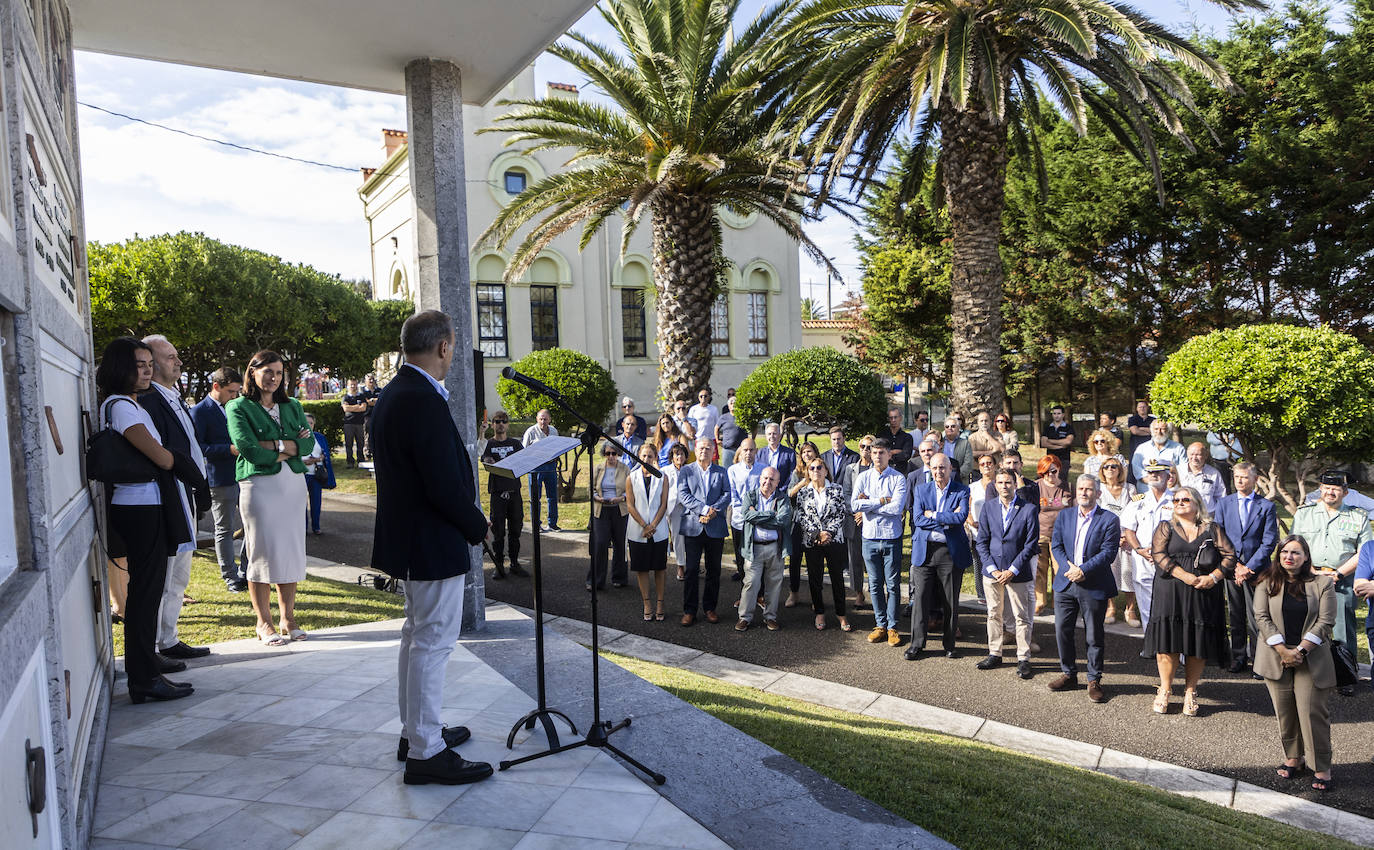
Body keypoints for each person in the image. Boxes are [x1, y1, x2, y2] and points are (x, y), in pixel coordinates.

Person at [371, 310, 491, 785]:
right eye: (453, 345)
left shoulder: (399, 391)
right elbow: (441, 483)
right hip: (431, 535)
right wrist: (475, 523)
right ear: (443, 347)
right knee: (432, 641)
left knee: (416, 636)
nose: (454, 353)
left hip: (414, 535)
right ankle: (425, 750)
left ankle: (416, 732)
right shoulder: (419, 398)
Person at [97, 337, 199, 704]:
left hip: (148, 504)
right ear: (120, 367)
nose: (147, 371)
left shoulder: (131, 404)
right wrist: (180, 464)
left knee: (148, 592)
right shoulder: (122, 406)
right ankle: (143, 677)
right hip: (139, 506)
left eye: (148, 364)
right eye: (139, 365)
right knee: (144, 594)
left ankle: (147, 670)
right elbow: (158, 455)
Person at [226, 350, 314, 647]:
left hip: (292, 484)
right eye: (268, 372)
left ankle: (288, 618)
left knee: (290, 550)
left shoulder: (293, 405)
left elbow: (309, 444)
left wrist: (276, 445)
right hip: (259, 484)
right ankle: (264, 622)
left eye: (278, 373)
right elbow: (248, 448)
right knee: (261, 552)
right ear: (252, 372)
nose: (274, 378)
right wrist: (288, 446)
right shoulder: (238, 406)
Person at [138, 335, 211, 661]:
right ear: (151, 363)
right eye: (170, 357)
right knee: (165, 574)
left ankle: (168, 638)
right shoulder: (148, 400)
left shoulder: (172, 396)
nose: (178, 362)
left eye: (176, 356)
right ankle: (152, 648)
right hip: (169, 495)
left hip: (187, 493)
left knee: (180, 574)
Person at [1143, 486, 1237, 716]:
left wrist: (1214, 577)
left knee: (1198, 642)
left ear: (1197, 503)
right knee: (1168, 641)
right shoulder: (1166, 527)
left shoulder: (1212, 528)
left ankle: (1190, 691)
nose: (1179, 503)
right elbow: (1158, 555)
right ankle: (1165, 689)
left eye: (1185, 499)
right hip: (1170, 590)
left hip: (1203, 591)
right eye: (1175, 500)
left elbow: (1230, 556)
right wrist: (1184, 575)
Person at [1254, 535, 1337, 793]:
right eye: (1284, 552)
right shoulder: (1266, 582)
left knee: (1312, 714)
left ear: (1306, 557)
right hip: (1275, 656)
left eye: (1296, 553)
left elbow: (1326, 621)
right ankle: (1294, 758)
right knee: (1285, 712)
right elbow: (1261, 616)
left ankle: (1321, 766)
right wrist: (1282, 649)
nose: (1289, 557)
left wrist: (1299, 650)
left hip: (1310, 658)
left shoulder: (1323, 583)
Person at [1289, 469, 1372, 696]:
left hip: (1341, 580)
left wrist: (1338, 574)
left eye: (1335, 489)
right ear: (1320, 489)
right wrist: (1311, 570)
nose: (1330, 492)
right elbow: (1294, 546)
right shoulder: (1304, 514)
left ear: (1345, 492)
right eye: (1326, 488)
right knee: (1306, 625)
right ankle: (1308, 673)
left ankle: (1345, 675)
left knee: (1344, 629)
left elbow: (1364, 552)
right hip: (1308, 578)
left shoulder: (1358, 516)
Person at [1048, 474, 1121, 703]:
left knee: (1093, 635)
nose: (1083, 493)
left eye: (1089, 489)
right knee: (1062, 631)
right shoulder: (1065, 516)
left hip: (1093, 583)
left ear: (1098, 493)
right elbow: (1056, 544)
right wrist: (1068, 566)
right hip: (1066, 582)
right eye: (1080, 488)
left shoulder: (1109, 519)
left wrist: (1083, 570)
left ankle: (1094, 679)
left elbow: (1108, 553)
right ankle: (1069, 674)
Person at [1213, 461, 1278, 675]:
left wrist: (1248, 567)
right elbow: (1219, 537)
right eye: (1237, 477)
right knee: (1236, 614)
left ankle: (1259, 661)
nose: (1240, 481)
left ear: (1255, 479)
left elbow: (1269, 541)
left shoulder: (1266, 506)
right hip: (1231, 570)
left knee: (1257, 617)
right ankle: (1238, 656)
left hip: (1257, 571)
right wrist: (1236, 565)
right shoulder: (1224, 504)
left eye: (1244, 477)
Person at [975, 469, 1040, 678]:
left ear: (1015, 484)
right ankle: (995, 652)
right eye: (1001, 482)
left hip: (1017, 572)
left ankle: (1023, 658)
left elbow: (1030, 545)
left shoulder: (1028, 509)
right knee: (994, 613)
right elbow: (982, 541)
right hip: (992, 571)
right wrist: (993, 568)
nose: (1004, 486)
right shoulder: (988, 507)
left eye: (1008, 482)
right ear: (995, 484)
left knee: (1022, 616)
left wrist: (1012, 570)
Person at [905, 453, 970, 659]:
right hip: (925, 551)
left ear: (950, 469)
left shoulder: (962, 490)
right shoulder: (921, 489)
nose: (938, 472)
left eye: (942, 468)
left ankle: (949, 644)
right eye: (934, 468)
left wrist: (932, 514)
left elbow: (960, 518)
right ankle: (917, 644)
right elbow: (917, 519)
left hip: (948, 552)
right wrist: (946, 520)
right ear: (930, 469)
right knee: (920, 599)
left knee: (950, 601)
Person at [190, 366, 248, 592]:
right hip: (219, 478)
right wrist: (228, 449)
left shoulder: (237, 407)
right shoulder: (200, 412)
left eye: (237, 392)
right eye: (231, 391)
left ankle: (246, 571)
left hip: (244, 474)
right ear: (217, 387)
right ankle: (230, 576)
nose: (235, 396)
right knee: (224, 528)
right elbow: (198, 448)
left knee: (250, 526)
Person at [852, 438, 909, 646]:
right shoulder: (864, 477)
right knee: (874, 584)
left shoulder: (898, 479)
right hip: (869, 536)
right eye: (874, 452)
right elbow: (854, 504)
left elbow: (897, 509)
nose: (876, 456)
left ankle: (893, 627)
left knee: (892, 584)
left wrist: (869, 505)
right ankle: (880, 624)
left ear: (888, 454)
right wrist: (882, 500)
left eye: (881, 452)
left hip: (891, 537)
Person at [796, 456, 852, 631]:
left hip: (834, 540)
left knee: (837, 578)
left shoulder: (836, 489)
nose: (816, 471)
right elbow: (801, 516)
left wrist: (828, 533)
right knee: (815, 578)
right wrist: (816, 534)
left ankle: (841, 614)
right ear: (808, 472)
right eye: (812, 468)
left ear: (826, 470)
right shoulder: (803, 492)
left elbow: (841, 513)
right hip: (812, 542)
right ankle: (819, 612)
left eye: (819, 467)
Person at [678, 437, 729, 626]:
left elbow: (727, 494)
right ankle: (689, 610)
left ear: (713, 451)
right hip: (693, 526)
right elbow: (683, 494)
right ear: (695, 449)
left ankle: (710, 608)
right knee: (691, 570)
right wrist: (703, 510)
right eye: (701, 448)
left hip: (715, 527)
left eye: (708, 448)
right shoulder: (686, 471)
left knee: (714, 570)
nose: (704, 451)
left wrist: (713, 511)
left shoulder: (721, 472)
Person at [1121, 461, 1175, 631]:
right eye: (1150, 472)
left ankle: (1172, 648)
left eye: (1158, 472)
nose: (1154, 475)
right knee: (1146, 605)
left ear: (1168, 476)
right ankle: (1150, 643)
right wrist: (1138, 549)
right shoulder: (1139, 501)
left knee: (1170, 604)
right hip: (1143, 558)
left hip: (1169, 558)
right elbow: (1129, 529)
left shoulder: (1177, 499)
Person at [736, 467, 791, 631]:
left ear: (777, 482)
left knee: (774, 584)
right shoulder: (750, 496)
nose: (768, 482)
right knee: (750, 583)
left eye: (772, 479)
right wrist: (771, 514)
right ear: (760, 479)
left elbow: (783, 520)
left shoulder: (782, 498)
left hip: (775, 548)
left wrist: (758, 516)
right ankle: (744, 617)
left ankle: (770, 617)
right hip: (754, 548)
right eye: (765, 478)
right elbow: (747, 515)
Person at [480, 411, 526, 579]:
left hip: (514, 493)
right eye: (497, 421)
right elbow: (483, 457)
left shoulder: (515, 444)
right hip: (498, 493)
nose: (500, 424)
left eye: (503, 421)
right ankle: (499, 564)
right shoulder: (488, 444)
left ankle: (514, 563)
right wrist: (482, 435)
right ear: (493, 424)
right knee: (498, 531)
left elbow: (524, 460)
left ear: (508, 424)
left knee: (516, 529)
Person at [626, 442, 669, 621]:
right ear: (638, 457)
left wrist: (653, 526)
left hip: (658, 530)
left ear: (655, 458)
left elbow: (664, 504)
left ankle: (660, 602)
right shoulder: (631, 477)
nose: (646, 459)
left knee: (659, 568)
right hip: (638, 530)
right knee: (642, 569)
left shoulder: (662, 477)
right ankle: (647, 603)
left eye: (650, 456)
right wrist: (645, 525)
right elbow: (630, 505)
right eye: (643, 456)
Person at [1095, 458, 1135, 625]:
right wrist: (1111, 537)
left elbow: (1135, 513)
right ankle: (1111, 607)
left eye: (1114, 466)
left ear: (1120, 470)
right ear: (1102, 470)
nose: (1110, 469)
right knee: (1109, 573)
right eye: (1107, 466)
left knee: (1129, 572)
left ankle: (1130, 609)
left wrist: (1126, 535)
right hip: (1106, 538)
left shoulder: (1130, 488)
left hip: (1127, 538)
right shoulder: (1100, 489)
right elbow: (1096, 516)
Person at [838, 436, 874, 607]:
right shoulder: (850, 468)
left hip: (872, 519)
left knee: (873, 559)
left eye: (870, 447)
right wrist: (856, 511)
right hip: (854, 520)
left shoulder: (878, 469)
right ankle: (859, 592)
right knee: (855, 559)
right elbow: (846, 495)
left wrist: (865, 511)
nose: (866, 449)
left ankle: (875, 591)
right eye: (863, 446)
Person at [588, 441, 629, 590]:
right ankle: (595, 580)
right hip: (601, 509)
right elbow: (590, 489)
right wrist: (596, 497)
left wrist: (621, 498)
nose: (611, 456)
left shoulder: (625, 469)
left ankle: (619, 577)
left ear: (618, 453)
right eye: (607, 453)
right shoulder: (598, 468)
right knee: (600, 544)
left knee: (620, 544)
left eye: (614, 453)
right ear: (604, 454)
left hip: (619, 509)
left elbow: (630, 491)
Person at [785, 441, 821, 608]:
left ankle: (816, 598)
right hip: (798, 523)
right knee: (795, 560)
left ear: (815, 453)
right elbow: (789, 494)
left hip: (816, 524)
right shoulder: (797, 473)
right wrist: (803, 481)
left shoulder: (821, 469)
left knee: (814, 561)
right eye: (804, 452)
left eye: (810, 451)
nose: (807, 454)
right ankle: (794, 593)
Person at [1034, 456, 1070, 615]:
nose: (1050, 475)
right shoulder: (1035, 487)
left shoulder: (1068, 487)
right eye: (1045, 472)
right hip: (1040, 534)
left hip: (1060, 537)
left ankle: (1059, 603)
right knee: (1039, 570)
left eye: (1053, 471)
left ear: (1059, 469)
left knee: (1060, 570)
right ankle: (1039, 602)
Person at [727, 439, 763, 583]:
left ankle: (759, 593)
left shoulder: (763, 469)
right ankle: (744, 593)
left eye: (751, 450)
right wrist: (745, 512)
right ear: (740, 451)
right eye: (745, 450)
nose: (748, 453)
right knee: (741, 557)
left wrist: (755, 513)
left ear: (756, 451)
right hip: (739, 520)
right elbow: (733, 495)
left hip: (758, 520)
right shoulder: (733, 470)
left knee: (757, 558)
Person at [967, 454, 999, 605]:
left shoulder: (1000, 484)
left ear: (995, 465)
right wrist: (971, 521)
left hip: (997, 532)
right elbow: (966, 507)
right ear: (979, 467)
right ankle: (981, 594)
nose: (986, 466)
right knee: (978, 561)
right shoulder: (973, 487)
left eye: (989, 463)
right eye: (982, 464)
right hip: (977, 530)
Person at [522, 409, 562, 532]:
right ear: (537, 419)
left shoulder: (554, 431)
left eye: (545, 419)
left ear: (549, 419)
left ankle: (553, 523)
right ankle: (536, 524)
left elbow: (558, 447)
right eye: (540, 419)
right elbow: (523, 450)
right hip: (536, 467)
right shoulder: (531, 431)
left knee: (552, 496)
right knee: (535, 497)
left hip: (550, 467)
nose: (543, 422)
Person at [301, 413, 335, 535]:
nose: (309, 425)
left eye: (311, 423)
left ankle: (316, 526)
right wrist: (304, 461)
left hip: (316, 474)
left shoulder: (319, 437)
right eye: (306, 422)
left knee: (316, 502)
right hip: (301, 474)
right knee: (301, 503)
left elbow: (325, 455)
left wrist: (316, 460)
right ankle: (303, 528)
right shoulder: (296, 437)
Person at [1131, 418, 1186, 492]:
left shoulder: (1178, 448)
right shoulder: (1142, 448)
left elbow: (1183, 470)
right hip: (1146, 491)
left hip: (1170, 492)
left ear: (1168, 431)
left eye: (1162, 429)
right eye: (1156, 429)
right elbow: (1136, 468)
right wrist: (1153, 482)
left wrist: (1167, 483)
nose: (1159, 432)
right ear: (1151, 430)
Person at [663, 443, 691, 578]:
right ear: (672, 457)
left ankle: (692, 565)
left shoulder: (691, 469)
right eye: (676, 454)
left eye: (682, 454)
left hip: (690, 508)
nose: (679, 456)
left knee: (692, 538)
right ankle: (681, 566)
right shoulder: (665, 471)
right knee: (677, 537)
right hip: (674, 508)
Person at [1177, 442, 1227, 514]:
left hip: (1207, 517)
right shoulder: (1178, 471)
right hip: (1183, 515)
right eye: (1192, 454)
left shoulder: (1214, 474)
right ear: (1187, 454)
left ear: (1206, 455)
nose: (1194, 458)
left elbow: (1221, 497)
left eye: (1198, 455)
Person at [1040, 405, 1075, 486]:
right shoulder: (1048, 428)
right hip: (1050, 459)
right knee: (1050, 479)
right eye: (1054, 413)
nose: (1056, 415)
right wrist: (1059, 446)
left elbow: (1068, 441)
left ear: (1063, 415)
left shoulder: (1068, 427)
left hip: (1064, 459)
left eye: (1058, 413)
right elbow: (1044, 443)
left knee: (1062, 480)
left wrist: (1050, 441)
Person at [937, 416, 975, 484]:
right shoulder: (939, 443)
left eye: (953, 426)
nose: (950, 428)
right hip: (941, 480)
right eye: (947, 427)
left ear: (958, 428)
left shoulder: (965, 443)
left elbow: (968, 464)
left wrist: (955, 475)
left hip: (960, 481)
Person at [1126, 400, 1156, 484]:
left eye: (1144, 407)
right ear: (1137, 409)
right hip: (1135, 448)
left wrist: (1141, 428)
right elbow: (1135, 431)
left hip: (1151, 449)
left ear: (1148, 408)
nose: (1142, 409)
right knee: (1133, 469)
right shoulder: (1132, 419)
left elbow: (1155, 431)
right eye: (1140, 407)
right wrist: (1149, 432)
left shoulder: (1153, 420)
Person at [341, 378, 368, 466]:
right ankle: (350, 462)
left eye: (354, 384)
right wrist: (357, 407)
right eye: (351, 384)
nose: (353, 386)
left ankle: (360, 459)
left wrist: (352, 407)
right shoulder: (345, 397)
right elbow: (345, 409)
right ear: (348, 386)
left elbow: (363, 408)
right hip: (348, 423)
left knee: (361, 443)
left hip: (359, 423)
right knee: (349, 443)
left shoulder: (361, 396)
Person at [716, 399, 747, 468]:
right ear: (728, 406)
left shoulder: (744, 416)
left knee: (741, 470)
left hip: (741, 449)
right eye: (731, 403)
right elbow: (716, 428)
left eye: (735, 403)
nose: (733, 405)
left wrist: (752, 440)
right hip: (727, 449)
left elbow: (754, 427)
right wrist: (717, 440)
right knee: (727, 471)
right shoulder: (723, 417)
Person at [884, 407, 915, 474]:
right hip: (885, 470)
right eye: (891, 418)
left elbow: (906, 455)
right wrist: (895, 452)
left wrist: (888, 454)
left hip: (901, 471)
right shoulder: (883, 436)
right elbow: (880, 453)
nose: (893, 420)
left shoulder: (907, 437)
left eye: (895, 417)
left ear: (900, 418)